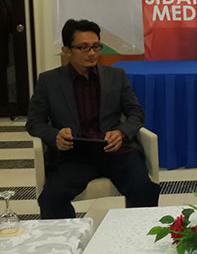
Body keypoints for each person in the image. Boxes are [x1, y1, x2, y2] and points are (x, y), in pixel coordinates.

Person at [26, 19, 160, 219]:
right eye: (83, 47)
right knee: (52, 197)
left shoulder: (116, 76)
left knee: (144, 189)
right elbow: (34, 122)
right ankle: (66, 244)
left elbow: (136, 113)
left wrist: (122, 133)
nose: (92, 53)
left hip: (116, 151)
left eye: (96, 47)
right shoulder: (49, 81)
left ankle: (140, 242)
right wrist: (55, 136)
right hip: (74, 155)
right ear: (67, 50)